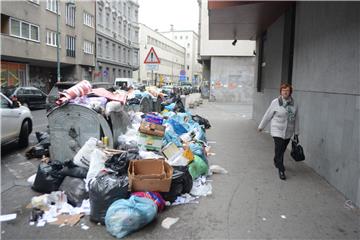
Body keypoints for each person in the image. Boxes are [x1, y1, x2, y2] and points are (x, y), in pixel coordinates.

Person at [258, 83, 299, 180]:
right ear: (280, 92)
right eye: (283, 90)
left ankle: (276, 160)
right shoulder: (275, 102)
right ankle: (281, 169)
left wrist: (296, 132)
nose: (285, 92)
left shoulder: (294, 104)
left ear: (290, 92)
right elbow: (268, 115)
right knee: (279, 148)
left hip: (288, 131)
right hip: (277, 130)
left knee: (282, 150)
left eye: (287, 90)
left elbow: (296, 119)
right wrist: (261, 126)